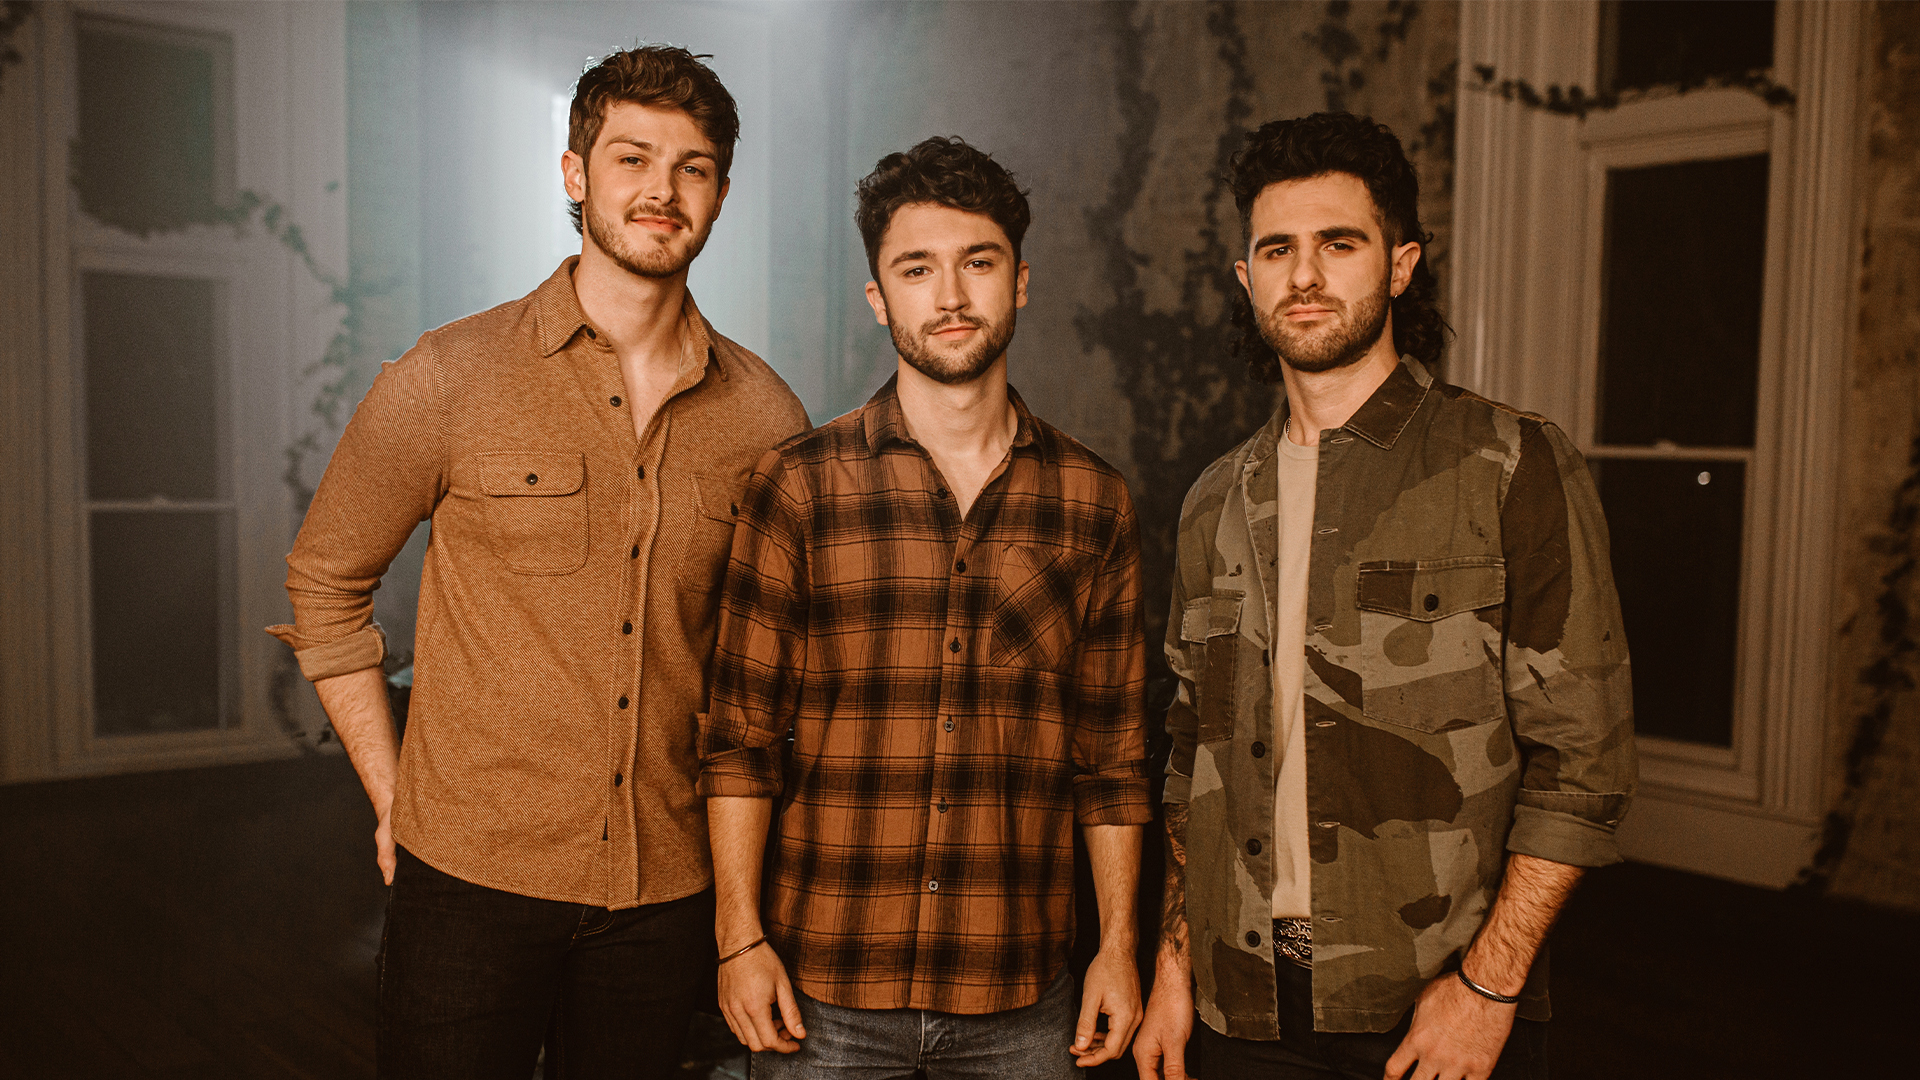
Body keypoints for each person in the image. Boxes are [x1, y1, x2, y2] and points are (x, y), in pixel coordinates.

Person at [265, 45, 807, 1078]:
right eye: (631, 157)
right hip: (468, 881)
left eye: (691, 167)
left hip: (666, 896)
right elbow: (325, 583)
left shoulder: (766, 417)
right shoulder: (449, 375)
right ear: (574, 173)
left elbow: (768, 671)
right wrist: (394, 800)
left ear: (722, 196)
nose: (660, 189)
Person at [1132, 112, 1636, 1080]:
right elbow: (1191, 753)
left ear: (1401, 265)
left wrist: (1490, 990)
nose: (1305, 275)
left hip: (1430, 1010)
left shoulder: (1512, 464)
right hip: (1242, 1011)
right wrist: (1174, 966)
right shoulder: (1213, 501)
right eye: (1277, 249)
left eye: (1340, 243)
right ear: (1247, 280)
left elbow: (1586, 765)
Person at [698, 136, 1150, 1079]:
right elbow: (741, 740)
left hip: (1023, 998)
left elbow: (1111, 759)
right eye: (916, 269)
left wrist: (1116, 948)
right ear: (880, 298)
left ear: (1019, 283)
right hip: (821, 992)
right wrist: (739, 939)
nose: (949, 296)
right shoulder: (798, 487)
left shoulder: (1092, 501)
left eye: (977, 263)